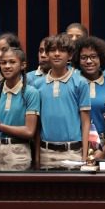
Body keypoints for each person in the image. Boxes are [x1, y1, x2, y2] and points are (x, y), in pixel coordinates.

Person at [35, 33, 91, 168]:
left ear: (70, 56)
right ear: (47, 55)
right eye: (52, 50)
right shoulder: (37, 85)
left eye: (62, 50)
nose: (57, 54)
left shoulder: (80, 83)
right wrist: (37, 157)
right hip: (46, 152)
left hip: (73, 152)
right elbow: (36, 126)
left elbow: (85, 122)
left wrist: (84, 156)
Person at [0, 47, 39, 170]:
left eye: (12, 62)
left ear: (23, 65)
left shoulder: (31, 93)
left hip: (19, 151)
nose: (7, 66)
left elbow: (29, 132)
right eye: (3, 63)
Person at [74, 35, 105, 158]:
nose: (88, 61)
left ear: (102, 59)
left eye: (93, 57)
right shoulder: (73, 83)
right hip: (77, 143)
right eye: (84, 57)